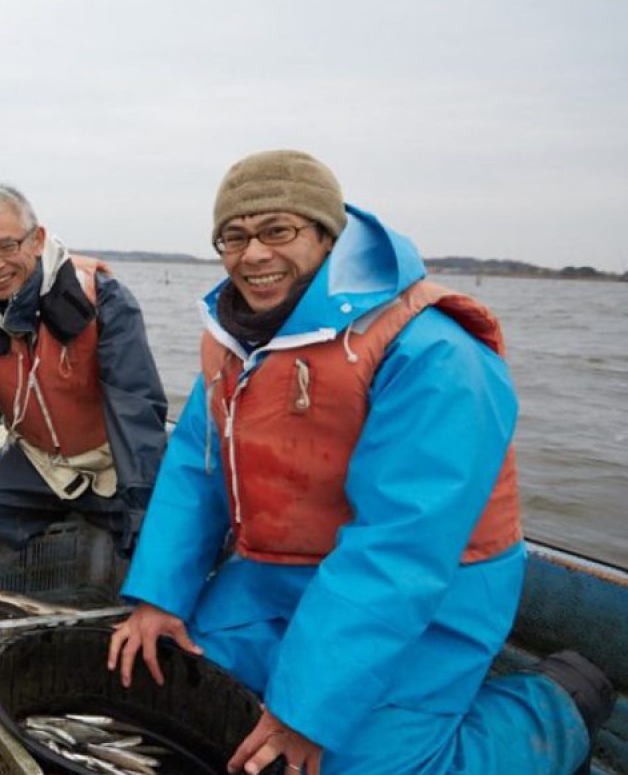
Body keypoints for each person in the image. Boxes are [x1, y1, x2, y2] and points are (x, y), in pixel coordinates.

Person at [107, 150, 613, 774]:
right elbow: (197, 467)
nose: (254, 255)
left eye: (278, 231)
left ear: (327, 235)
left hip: (436, 590)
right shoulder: (236, 338)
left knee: (344, 764)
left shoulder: (433, 352)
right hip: (276, 573)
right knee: (170, 686)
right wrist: (159, 597)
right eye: (233, 237)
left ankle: (552, 706)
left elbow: (401, 546)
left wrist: (304, 711)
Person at [0, 184, 168, 551]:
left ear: (37, 240)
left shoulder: (104, 298)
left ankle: (113, 517)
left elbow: (135, 409)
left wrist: (142, 513)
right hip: (39, 460)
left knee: (162, 529)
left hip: (111, 460)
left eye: (7, 247)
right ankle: (60, 519)